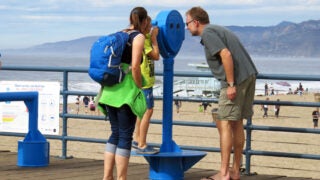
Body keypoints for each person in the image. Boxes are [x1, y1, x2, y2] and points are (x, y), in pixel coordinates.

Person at [185, 7, 258, 180]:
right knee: (237, 122)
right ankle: (234, 171)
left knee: (224, 123)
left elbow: (226, 54)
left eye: (187, 23)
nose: (186, 28)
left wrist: (231, 84)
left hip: (236, 80)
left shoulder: (208, 33)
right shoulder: (217, 29)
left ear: (196, 22)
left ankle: (224, 173)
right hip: (248, 75)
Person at [97, 7, 148, 180]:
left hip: (110, 89)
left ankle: (107, 177)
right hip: (125, 93)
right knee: (125, 136)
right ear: (145, 20)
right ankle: (122, 178)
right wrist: (139, 85)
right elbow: (135, 66)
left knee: (115, 133)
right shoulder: (138, 37)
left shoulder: (120, 33)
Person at [133, 16, 160, 154]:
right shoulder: (144, 40)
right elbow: (156, 56)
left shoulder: (144, 37)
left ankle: (138, 139)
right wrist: (154, 38)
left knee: (142, 112)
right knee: (148, 111)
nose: (151, 28)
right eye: (149, 26)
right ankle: (142, 144)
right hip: (144, 82)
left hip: (145, 81)